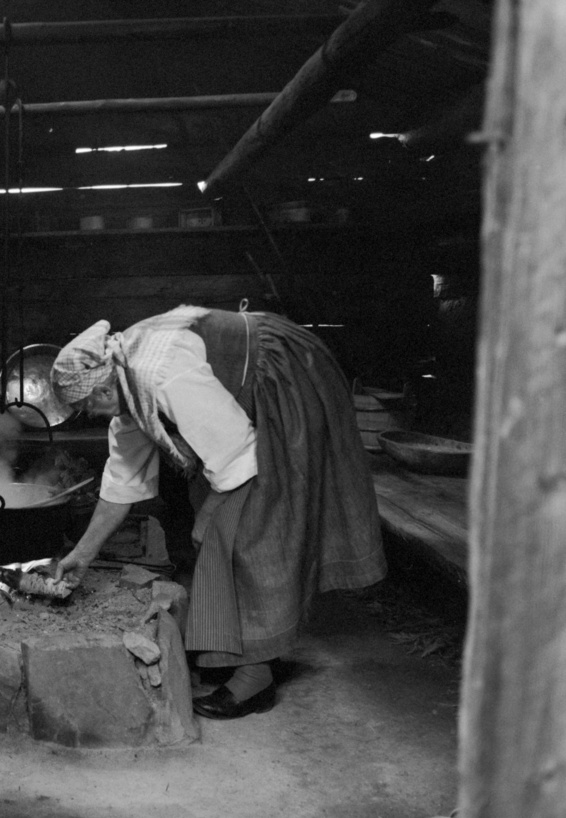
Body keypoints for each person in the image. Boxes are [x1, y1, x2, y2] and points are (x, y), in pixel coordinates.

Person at [49, 304, 386, 719]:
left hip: (284, 374)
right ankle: (247, 648)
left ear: (102, 391)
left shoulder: (160, 375)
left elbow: (238, 455)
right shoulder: (126, 392)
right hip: (243, 407)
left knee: (246, 526)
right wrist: (82, 555)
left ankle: (256, 678)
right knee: (213, 512)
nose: (90, 417)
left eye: (87, 409)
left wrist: (208, 519)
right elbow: (122, 483)